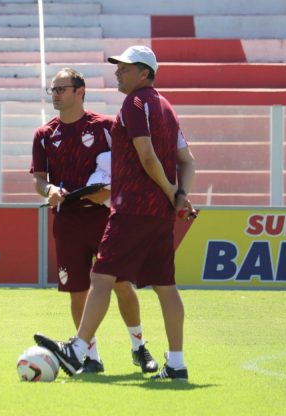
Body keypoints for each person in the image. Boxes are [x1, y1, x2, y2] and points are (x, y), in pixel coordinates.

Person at [35, 46, 197, 381]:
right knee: (166, 286)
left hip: (131, 208)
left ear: (144, 73)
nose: (118, 73)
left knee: (101, 278)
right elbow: (188, 160)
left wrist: (172, 192)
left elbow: (147, 156)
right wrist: (179, 196)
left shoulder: (134, 105)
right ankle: (176, 363)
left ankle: (78, 350)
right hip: (158, 214)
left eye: (125, 68)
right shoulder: (167, 107)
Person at [30, 67, 159, 375]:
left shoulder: (106, 127)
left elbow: (131, 166)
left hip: (106, 219)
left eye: (61, 89)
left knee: (122, 283)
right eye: (53, 90)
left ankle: (139, 348)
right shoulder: (44, 134)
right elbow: (38, 178)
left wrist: (110, 191)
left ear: (80, 91)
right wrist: (49, 190)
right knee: (77, 291)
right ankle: (90, 357)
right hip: (67, 222)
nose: (55, 95)